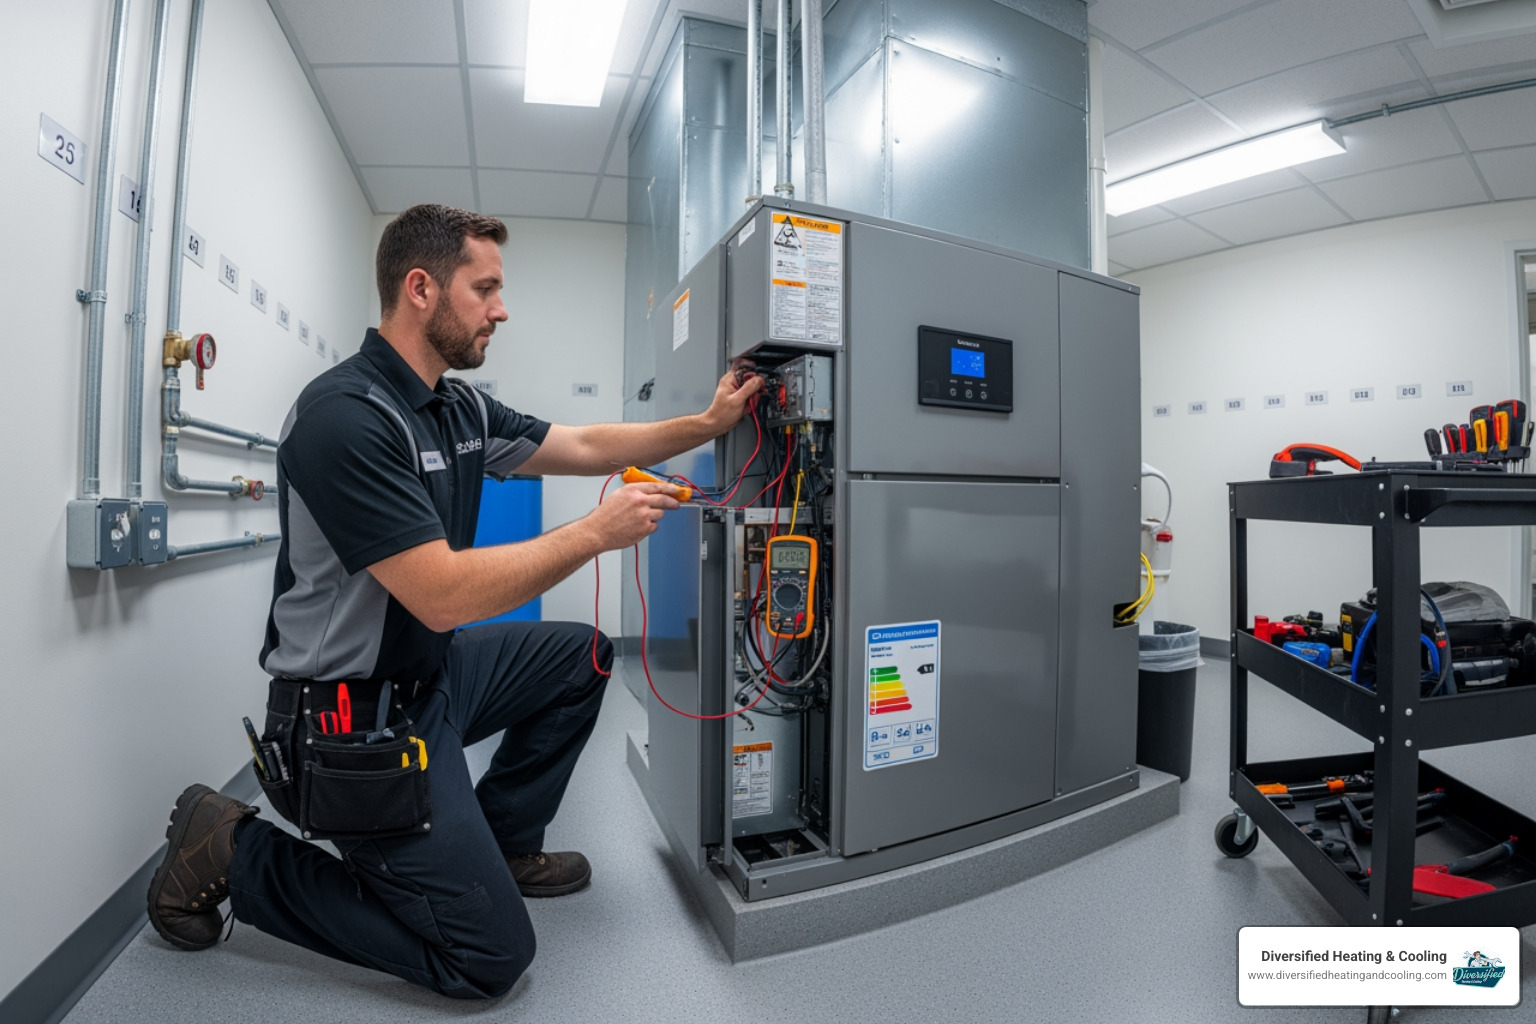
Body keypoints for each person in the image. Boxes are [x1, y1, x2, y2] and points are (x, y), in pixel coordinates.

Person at [145, 203, 762, 998]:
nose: (502, 310)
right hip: (345, 724)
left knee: (580, 656)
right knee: (489, 958)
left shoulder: (457, 406)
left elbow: (581, 445)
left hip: (428, 680)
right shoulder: (347, 418)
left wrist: (707, 422)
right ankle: (232, 850)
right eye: (486, 289)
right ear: (421, 289)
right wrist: (593, 534)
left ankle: (498, 848)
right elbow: (438, 595)